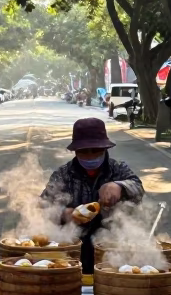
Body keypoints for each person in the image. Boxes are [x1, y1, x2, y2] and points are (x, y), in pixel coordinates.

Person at [40, 116, 144, 275]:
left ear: (105, 149)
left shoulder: (118, 169)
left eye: (95, 150)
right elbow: (43, 205)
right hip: (74, 249)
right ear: (75, 151)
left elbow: (138, 188)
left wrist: (119, 186)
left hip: (113, 247)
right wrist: (63, 214)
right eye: (83, 152)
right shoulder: (63, 174)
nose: (89, 156)